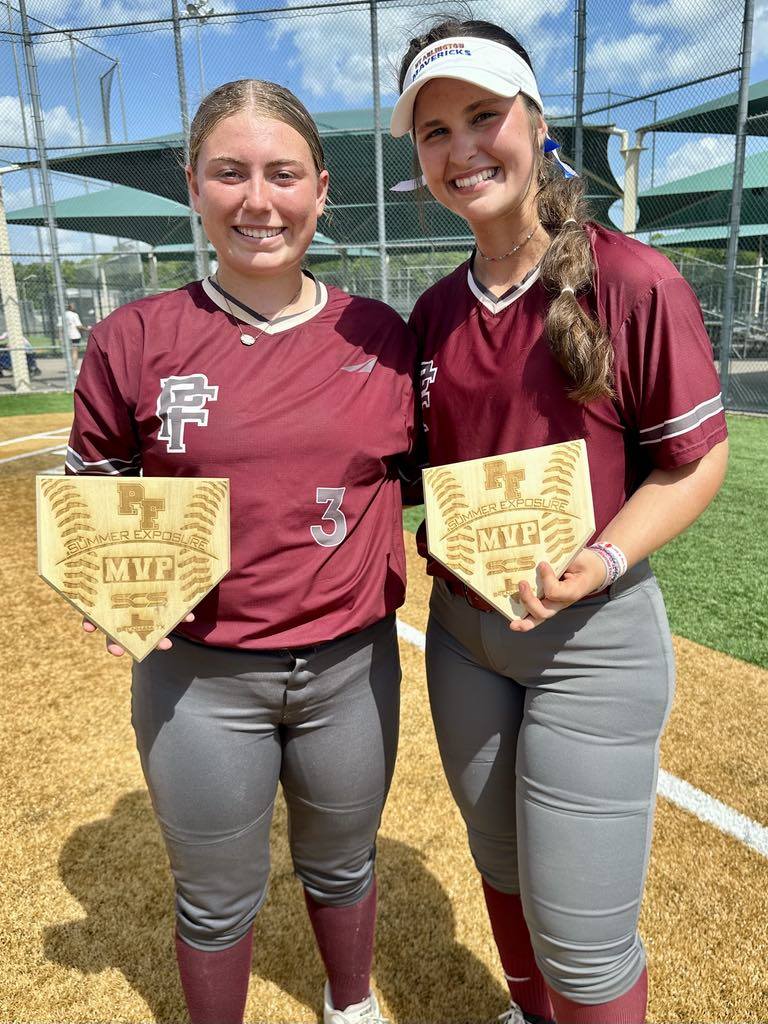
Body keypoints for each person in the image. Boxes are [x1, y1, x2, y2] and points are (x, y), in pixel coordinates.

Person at [391, 20, 728, 1024]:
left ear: (537, 125)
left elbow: (697, 458)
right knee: (501, 866)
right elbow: (399, 473)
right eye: (434, 131)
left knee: (584, 942)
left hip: (592, 639)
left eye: (483, 118)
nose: (460, 151)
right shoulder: (434, 313)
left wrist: (606, 555)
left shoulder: (632, 280)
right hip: (463, 635)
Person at [66, 78, 415, 1024]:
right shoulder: (134, 337)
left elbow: (429, 476)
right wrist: (109, 583)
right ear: (193, 185)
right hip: (201, 681)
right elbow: (94, 476)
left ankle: (351, 1006)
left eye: (282, 174)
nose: (258, 201)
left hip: (351, 666)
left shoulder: (380, 336)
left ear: (322, 188)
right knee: (216, 896)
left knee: (343, 861)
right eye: (230, 173)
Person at [64, 303, 86, 372]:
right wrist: (87, 329)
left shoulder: (64, 314)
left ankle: (71, 367)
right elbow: (78, 326)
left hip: (67, 335)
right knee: (75, 351)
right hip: (74, 335)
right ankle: (75, 368)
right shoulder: (74, 315)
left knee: (70, 351)